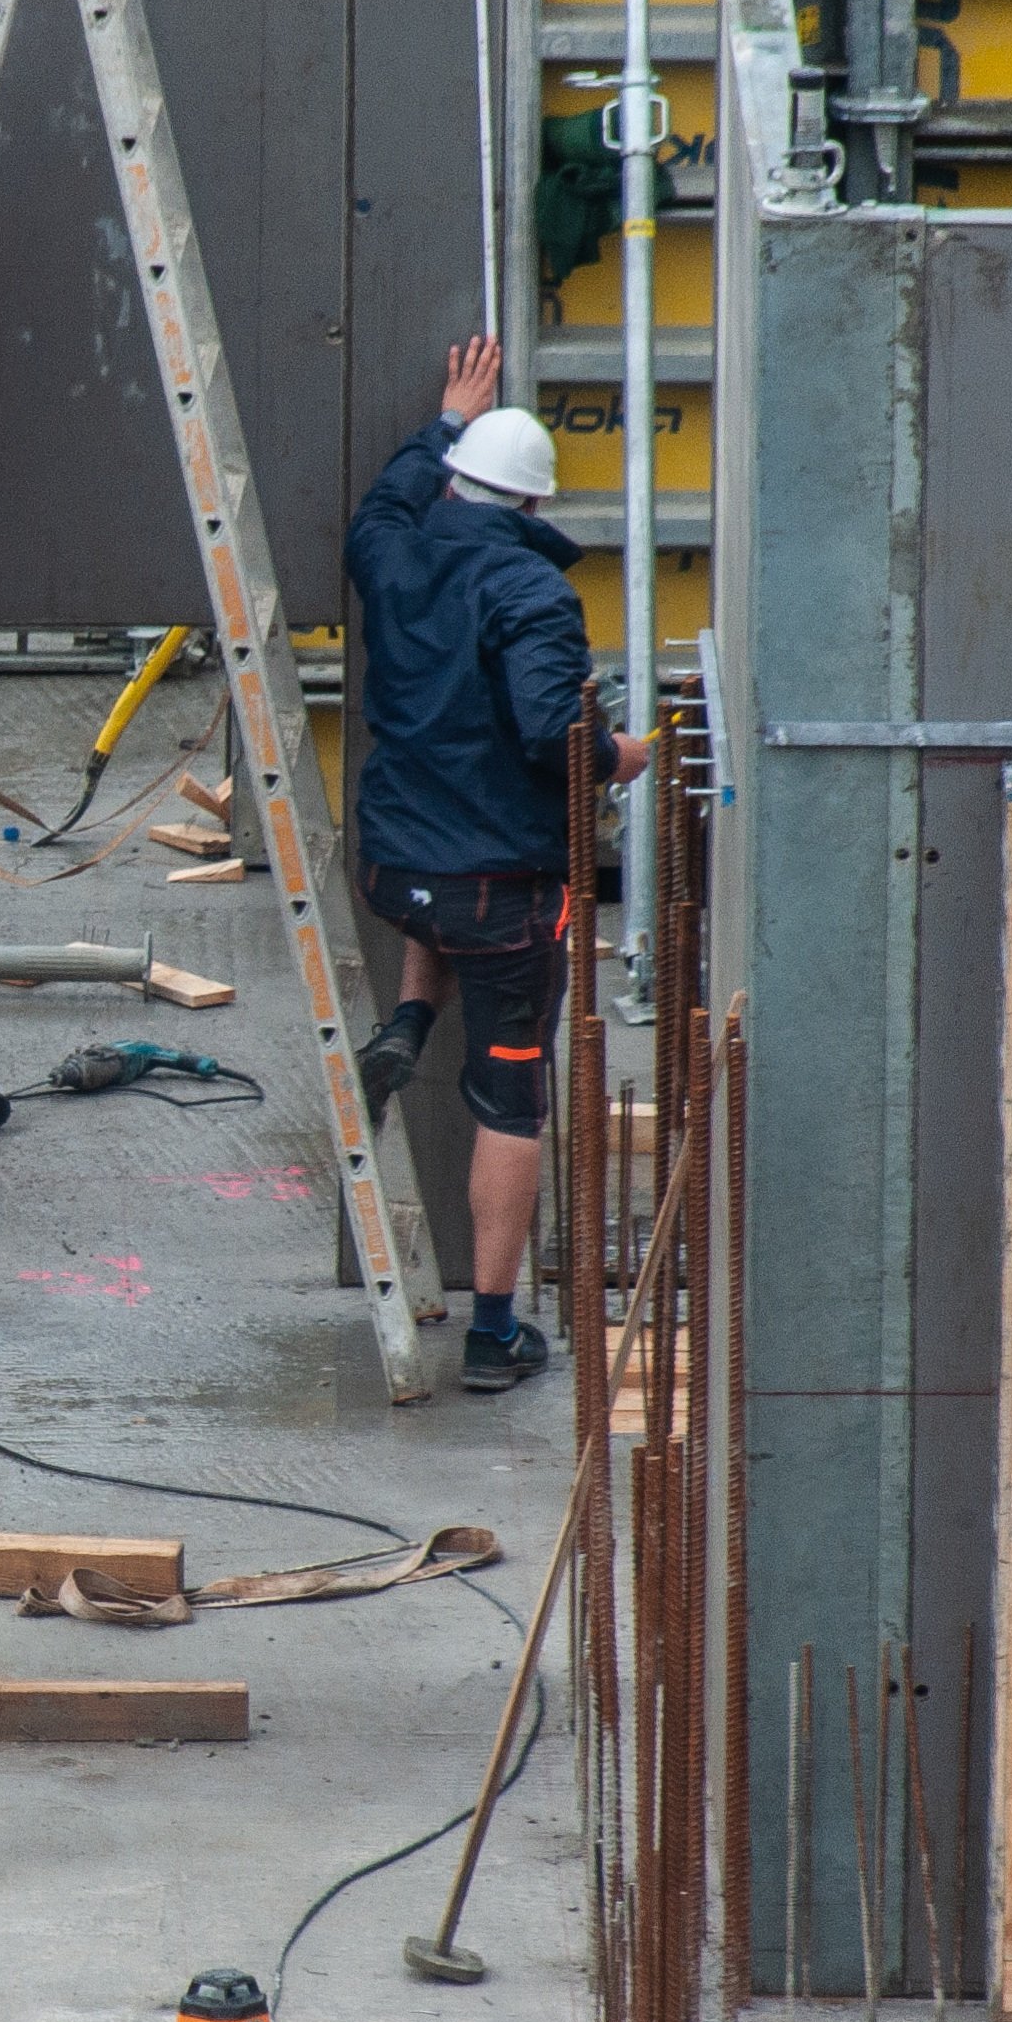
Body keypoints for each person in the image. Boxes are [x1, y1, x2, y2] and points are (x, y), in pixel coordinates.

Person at [342, 334, 649, 1394]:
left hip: (394, 866)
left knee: (442, 900)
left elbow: (380, 505)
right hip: (497, 890)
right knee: (510, 1102)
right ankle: (491, 1330)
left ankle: (411, 1020)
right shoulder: (533, 594)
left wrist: (443, 420)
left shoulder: (393, 547)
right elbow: (547, 742)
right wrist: (624, 755)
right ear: (530, 507)